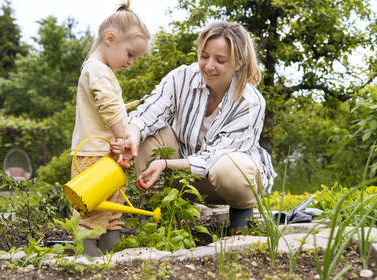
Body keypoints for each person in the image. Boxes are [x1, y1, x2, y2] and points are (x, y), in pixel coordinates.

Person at [115, 21, 276, 234]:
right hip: (182, 175)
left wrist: (165, 164)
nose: (208, 66)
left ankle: (241, 216)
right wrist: (132, 135)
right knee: (148, 133)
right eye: (204, 56)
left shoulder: (250, 102)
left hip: (223, 181)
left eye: (220, 60)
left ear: (238, 63)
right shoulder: (181, 77)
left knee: (229, 167)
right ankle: (159, 213)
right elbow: (148, 114)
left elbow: (214, 157)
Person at [70, 0, 150, 256]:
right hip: (92, 153)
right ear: (110, 38)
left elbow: (110, 108)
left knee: (113, 199)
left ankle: (110, 240)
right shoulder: (97, 70)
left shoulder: (100, 70)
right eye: (130, 54)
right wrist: (123, 137)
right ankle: (87, 245)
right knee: (92, 201)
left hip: (103, 152)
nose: (131, 62)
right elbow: (108, 107)